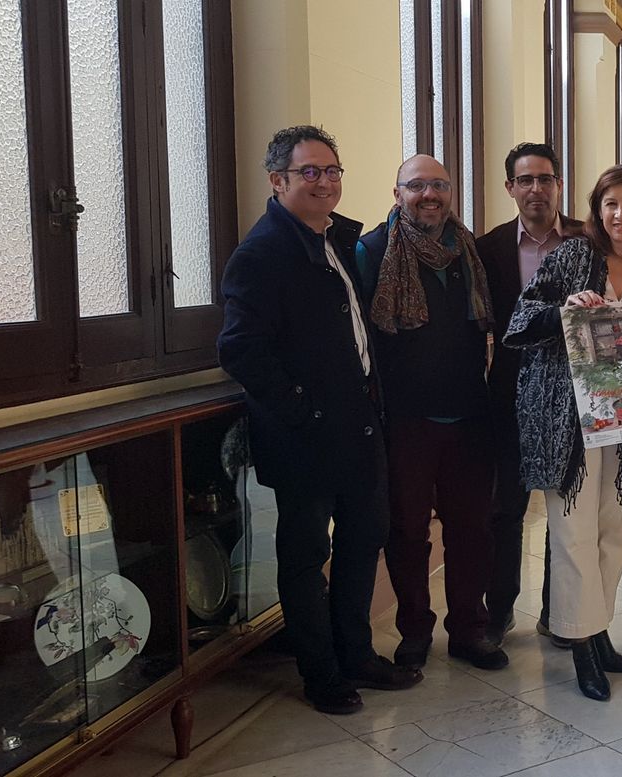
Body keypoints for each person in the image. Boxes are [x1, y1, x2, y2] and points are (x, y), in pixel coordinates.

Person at [218, 125, 421, 715]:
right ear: (277, 181)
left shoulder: (333, 240)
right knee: (307, 557)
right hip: (305, 438)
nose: (324, 181)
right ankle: (321, 673)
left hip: (359, 428)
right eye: (310, 171)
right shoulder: (260, 255)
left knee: (363, 542)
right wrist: (302, 409)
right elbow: (240, 349)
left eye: (332, 171)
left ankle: (355, 654)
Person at [503, 165, 622, 701]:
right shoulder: (571, 257)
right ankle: (582, 644)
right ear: (597, 210)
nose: (620, 214)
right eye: (610, 204)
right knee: (573, 532)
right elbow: (521, 320)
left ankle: (599, 627)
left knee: (614, 532)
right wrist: (564, 312)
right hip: (570, 421)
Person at [354, 154, 507, 672]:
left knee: (472, 530)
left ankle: (469, 630)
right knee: (407, 532)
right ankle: (415, 631)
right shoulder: (372, 251)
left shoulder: (469, 249)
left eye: (439, 185)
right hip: (406, 419)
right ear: (397, 193)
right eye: (417, 185)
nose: (429, 195)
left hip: (469, 414)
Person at [477, 142, 584, 648]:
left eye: (545, 179)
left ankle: (556, 612)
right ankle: (498, 610)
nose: (536, 189)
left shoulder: (587, 239)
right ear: (510, 188)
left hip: (572, 394)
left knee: (565, 510)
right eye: (525, 180)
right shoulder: (488, 248)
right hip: (510, 395)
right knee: (506, 509)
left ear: (559, 184)